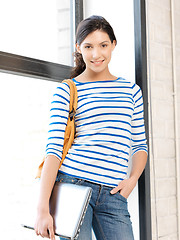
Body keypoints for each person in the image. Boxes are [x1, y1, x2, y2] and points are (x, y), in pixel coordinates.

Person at [34, 15, 148, 240]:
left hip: (114, 195)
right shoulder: (66, 90)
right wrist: (42, 209)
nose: (96, 54)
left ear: (113, 45)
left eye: (103, 45)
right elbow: (54, 151)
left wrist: (133, 178)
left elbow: (139, 144)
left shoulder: (131, 91)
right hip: (72, 185)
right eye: (88, 46)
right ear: (78, 47)